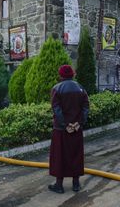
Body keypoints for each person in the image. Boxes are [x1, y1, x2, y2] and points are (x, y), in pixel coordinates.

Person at [48, 65, 89, 194]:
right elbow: (86, 107)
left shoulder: (56, 89)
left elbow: (56, 109)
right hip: (76, 129)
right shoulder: (81, 88)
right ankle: (76, 184)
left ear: (61, 75)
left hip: (61, 129)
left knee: (59, 156)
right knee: (76, 155)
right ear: (72, 74)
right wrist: (79, 123)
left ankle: (59, 186)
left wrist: (65, 124)